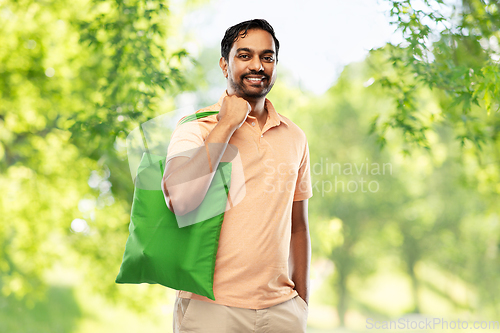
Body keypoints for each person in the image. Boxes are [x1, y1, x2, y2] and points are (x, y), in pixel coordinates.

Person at [162, 19, 313, 333]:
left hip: (282, 312)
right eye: (245, 55)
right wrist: (227, 125)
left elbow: (298, 225)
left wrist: (302, 302)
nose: (257, 65)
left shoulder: (295, 137)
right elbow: (179, 200)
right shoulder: (195, 127)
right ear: (224, 64)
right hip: (210, 311)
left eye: (267, 57)